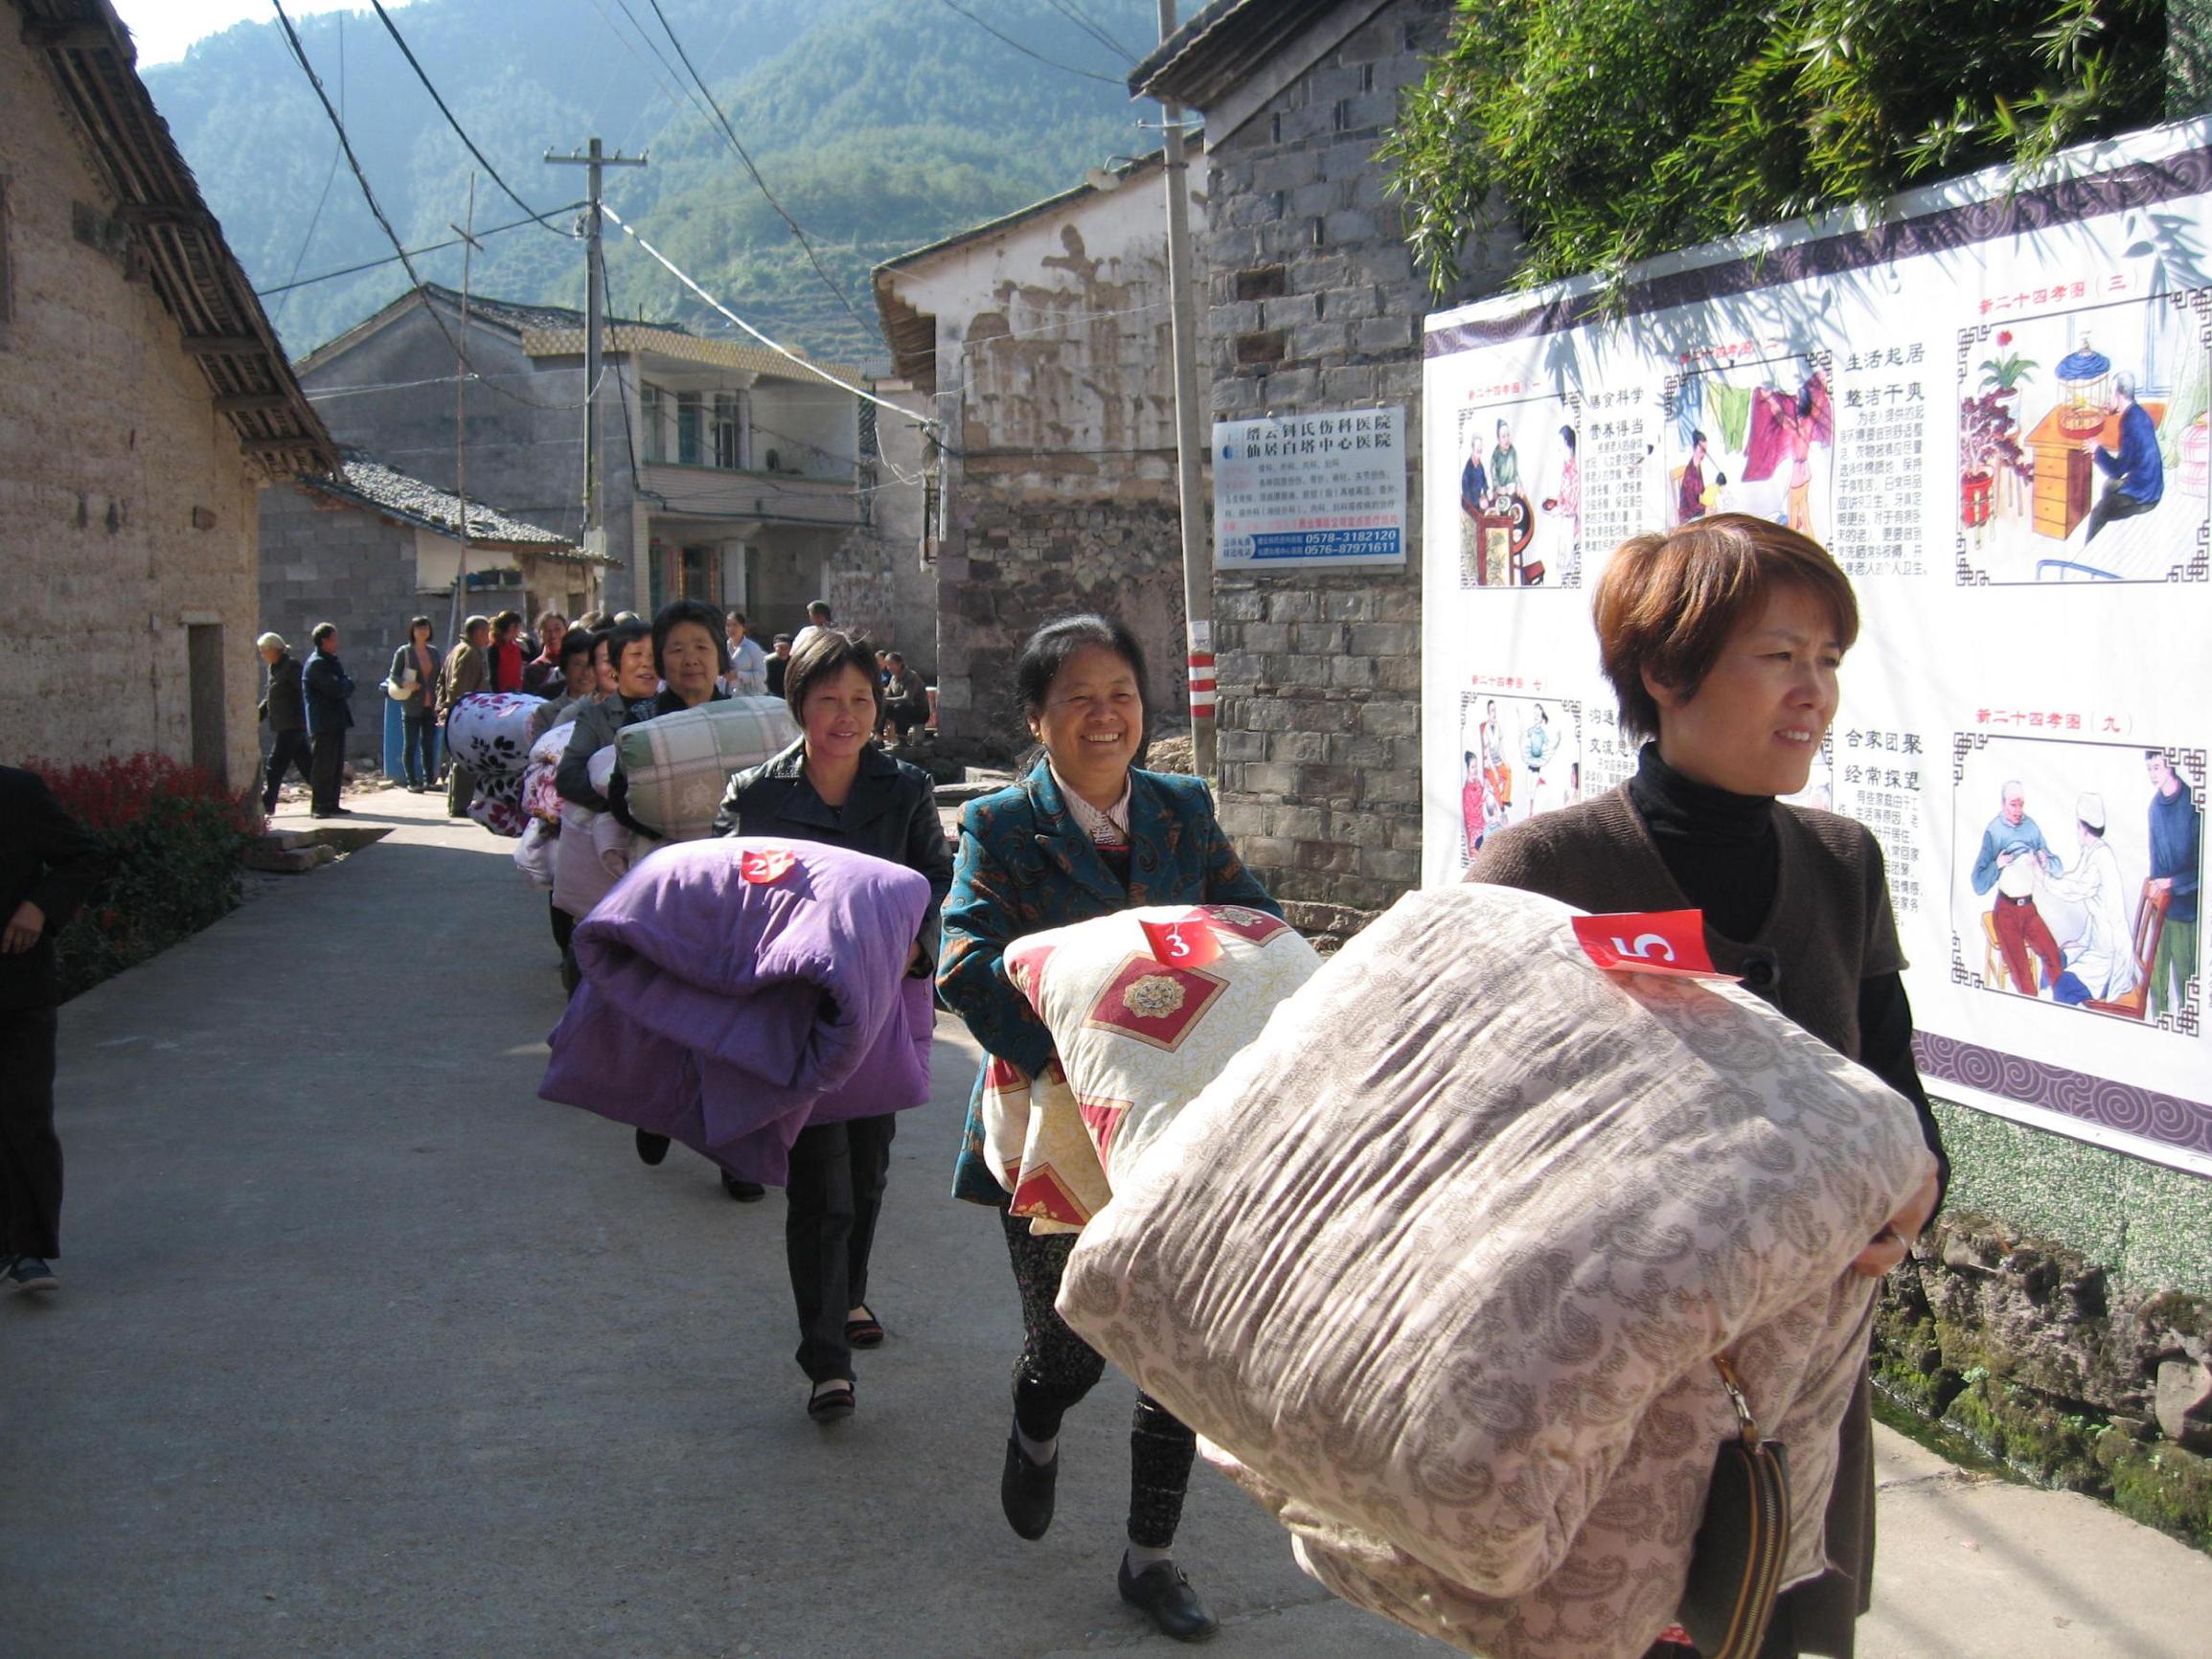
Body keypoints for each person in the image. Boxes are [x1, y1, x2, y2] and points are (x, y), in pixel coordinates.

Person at [1465, 513, 1945, 1659]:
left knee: (1767, 1624)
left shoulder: (1841, 862)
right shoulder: (1544, 870)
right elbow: (1473, 1143)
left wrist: (1911, 1195)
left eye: (1827, 659)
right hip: (1599, 1407)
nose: (1813, 693)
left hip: (1791, 1397)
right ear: (1664, 673)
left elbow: (1895, 1090)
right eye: (1778, 656)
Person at [938, 614, 1280, 1645]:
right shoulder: (1002, 825)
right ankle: (1035, 1414)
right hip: (1052, 1124)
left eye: (1121, 694)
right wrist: (1075, 1053)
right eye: (1078, 698)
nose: (1104, 716)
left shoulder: (1179, 808)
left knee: (1172, 1348)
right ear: (1036, 719)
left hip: (1175, 1120)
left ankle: (1149, 1558)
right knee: (1073, 1343)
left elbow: (1248, 920)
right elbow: (963, 965)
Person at [714, 629, 953, 1423]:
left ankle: (849, 1294)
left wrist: (918, 948)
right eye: (828, 700)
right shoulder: (758, 794)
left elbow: (937, 878)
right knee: (822, 1186)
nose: (846, 716)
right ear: (799, 706)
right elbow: (727, 890)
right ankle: (826, 1363)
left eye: (860, 700)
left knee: (869, 1164)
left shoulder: (906, 787)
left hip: (882, 1006)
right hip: (801, 1013)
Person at [0, 766, 109, 1295]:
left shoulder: (16, 792)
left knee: (24, 1113)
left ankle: (27, 1250)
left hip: (15, 984)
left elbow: (86, 856)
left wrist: (39, 906)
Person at [2041, 796, 2140, 1006]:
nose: (2077, 831)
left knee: (2063, 987)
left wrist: (2042, 878)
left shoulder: (2101, 857)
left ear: (2085, 828)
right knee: (2051, 961)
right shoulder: (2092, 851)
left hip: (2108, 956)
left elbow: (2076, 890)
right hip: (2095, 943)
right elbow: (2074, 880)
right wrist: (2047, 869)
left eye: (2078, 826)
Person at [1971, 780, 2065, 997]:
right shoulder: (1994, 832)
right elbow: (1978, 883)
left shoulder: (2030, 828)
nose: (2018, 810)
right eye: (2013, 804)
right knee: (2022, 974)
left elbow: (2057, 867)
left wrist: (2045, 861)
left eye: (2021, 804)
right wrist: (1997, 865)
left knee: (2053, 955)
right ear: (2003, 804)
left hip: (2029, 910)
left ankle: (2061, 1004)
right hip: (2006, 911)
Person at [2146, 750, 2201, 1018]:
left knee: (2185, 981)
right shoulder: (2155, 808)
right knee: (2156, 980)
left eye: (2157, 767)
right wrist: (2156, 887)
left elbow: (2203, 869)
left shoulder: (2193, 804)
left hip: (2186, 907)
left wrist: (2173, 882)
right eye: (2149, 768)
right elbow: (2155, 859)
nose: (2152, 774)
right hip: (2162, 906)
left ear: (2171, 766)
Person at [2084, 372, 2163, 543]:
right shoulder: (2137, 412)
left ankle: (2091, 549)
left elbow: (2117, 470)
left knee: (2098, 513)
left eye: (2110, 393)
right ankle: (2108, 534)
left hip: (2144, 494)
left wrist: (2097, 450)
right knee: (2108, 486)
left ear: (2118, 395)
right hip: (2149, 482)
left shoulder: (2130, 423)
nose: (2108, 397)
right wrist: (2111, 409)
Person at [438, 615, 491, 820]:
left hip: (457, 713)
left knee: (458, 760)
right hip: (465, 714)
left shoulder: (456, 650)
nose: (488, 637)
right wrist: (454, 708)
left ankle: (456, 803)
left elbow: (441, 682)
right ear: (478, 633)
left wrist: (442, 706)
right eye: (486, 633)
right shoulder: (469, 653)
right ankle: (460, 805)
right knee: (466, 761)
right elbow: (457, 687)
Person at [301, 623, 354, 819]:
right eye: (334, 639)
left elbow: (347, 684)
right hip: (323, 722)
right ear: (324, 641)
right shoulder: (317, 664)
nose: (337, 642)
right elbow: (336, 689)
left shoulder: (332, 661)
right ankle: (319, 805)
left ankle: (332, 803)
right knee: (323, 765)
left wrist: (344, 684)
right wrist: (343, 684)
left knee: (335, 764)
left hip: (337, 720)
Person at [256, 633, 311, 815]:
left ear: (273, 649)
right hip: (284, 724)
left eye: (264, 651)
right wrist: (257, 716)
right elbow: (270, 696)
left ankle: (268, 803)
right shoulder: (274, 668)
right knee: (306, 765)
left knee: (275, 764)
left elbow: (303, 692)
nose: (262, 655)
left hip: (293, 724)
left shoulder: (291, 667)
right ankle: (325, 798)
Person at [388, 617, 444, 793]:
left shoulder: (433, 652)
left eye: (425, 628)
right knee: (411, 744)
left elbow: (439, 676)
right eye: (419, 628)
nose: (422, 632)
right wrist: (406, 683)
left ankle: (429, 780)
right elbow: (394, 675)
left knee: (428, 744)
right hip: (412, 704)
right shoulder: (404, 652)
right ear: (412, 631)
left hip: (431, 704)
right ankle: (412, 781)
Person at [529, 627, 602, 741]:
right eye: (578, 664)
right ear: (565, 667)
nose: (586, 672)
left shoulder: (611, 706)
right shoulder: (547, 712)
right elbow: (540, 749)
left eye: (592, 665)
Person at [878, 652, 929, 742]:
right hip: (902, 709)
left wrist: (888, 700)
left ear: (900, 664)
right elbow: (888, 694)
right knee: (881, 706)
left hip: (919, 711)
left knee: (900, 707)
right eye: (888, 665)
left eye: (892, 664)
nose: (889, 667)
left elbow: (907, 699)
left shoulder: (911, 677)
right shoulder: (893, 678)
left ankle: (902, 739)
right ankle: (879, 737)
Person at [723, 609, 769, 697]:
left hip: (751, 695)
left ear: (743, 628)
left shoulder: (752, 648)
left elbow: (762, 675)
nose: (731, 629)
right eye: (728, 625)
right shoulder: (723, 647)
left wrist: (738, 675)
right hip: (728, 694)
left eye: (735, 625)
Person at [522, 611, 568, 697]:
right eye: (547, 630)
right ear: (540, 635)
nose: (553, 635)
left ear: (566, 631)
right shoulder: (533, 669)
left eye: (557, 629)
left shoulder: (576, 663)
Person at [488, 610, 527, 694]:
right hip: (503, 694)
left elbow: (530, 657)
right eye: (518, 627)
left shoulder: (515, 646)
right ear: (512, 627)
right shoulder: (495, 648)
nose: (519, 631)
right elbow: (493, 677)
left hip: (517, 692)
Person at [1678, 430, 1709, 524]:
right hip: (1689, 517)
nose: (1703, 454)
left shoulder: (1698, 466)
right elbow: (1693, 506)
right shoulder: (1690, 476)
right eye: (1701, 451)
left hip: (1697, 512)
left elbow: (1702, 491)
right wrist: (1706, 508)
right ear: (1694, 448)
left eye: (1705, 451)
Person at [764, 634, 793, 699]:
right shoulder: (768, 662)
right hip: (772, 696)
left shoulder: (793, 662)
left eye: (786, 647)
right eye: (780, 647)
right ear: (774, 647)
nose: (783, 650)